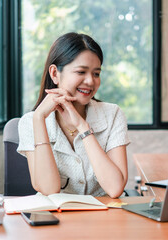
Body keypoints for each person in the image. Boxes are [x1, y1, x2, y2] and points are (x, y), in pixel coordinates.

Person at [17, 32, 130, 198]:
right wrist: (39, 117)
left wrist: (83, 127)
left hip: (104, 218)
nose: (91, 81)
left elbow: (115, 188)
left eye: (96, 73)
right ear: (55, 73)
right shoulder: (31, 122)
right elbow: (48, 189)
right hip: (56, 218)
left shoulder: (112, 114)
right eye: (81, 72)